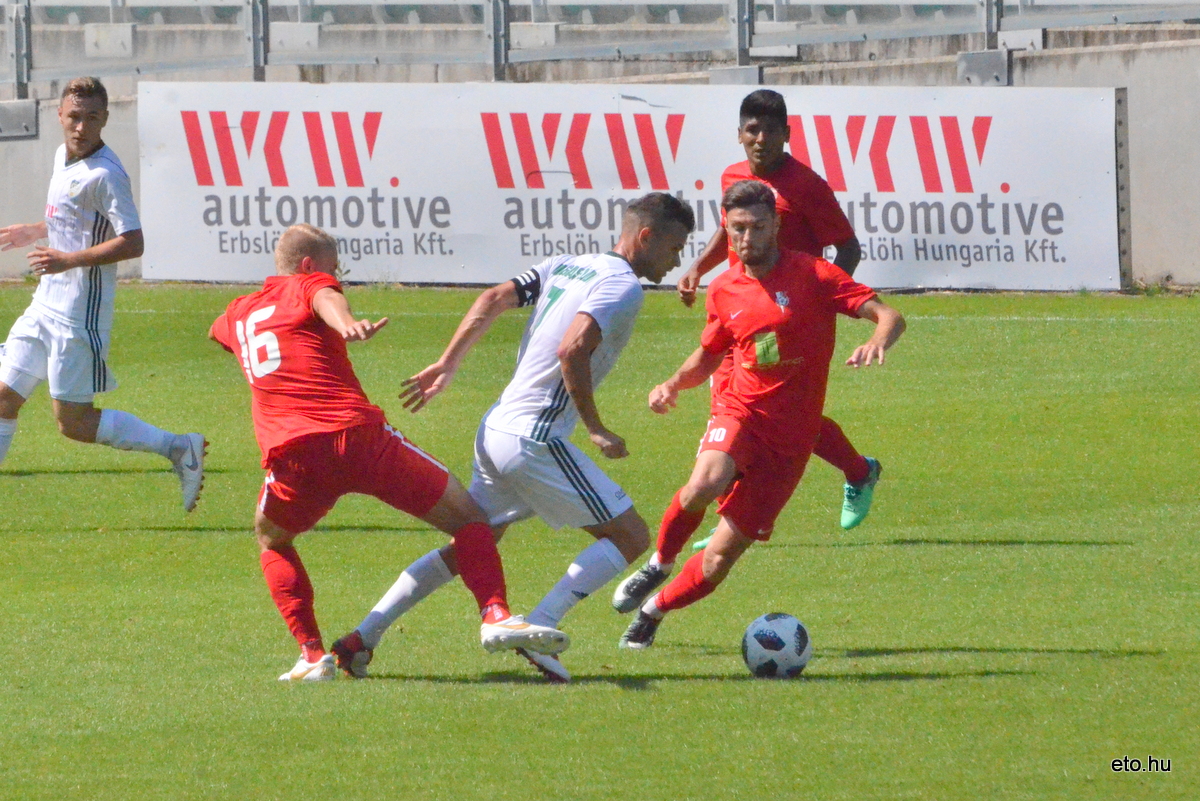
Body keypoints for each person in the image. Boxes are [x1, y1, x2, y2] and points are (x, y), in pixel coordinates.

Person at [330, 193, 695, 683]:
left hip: (497, 428)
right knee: (630, 536)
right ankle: (542, 624)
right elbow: (572, 350)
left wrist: (449, 362)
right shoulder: (621, 284)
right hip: (532, 438)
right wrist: (595, 427)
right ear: (645, 236)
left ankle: (362, 637)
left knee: (472, 543)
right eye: (674, 247)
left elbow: (493, 298)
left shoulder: (566, 264)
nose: (676, 260)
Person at [209, 224, 567, 681]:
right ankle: (495, 615)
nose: (337, 278)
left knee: (273, 540)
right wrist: (346, 324)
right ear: (309, 266)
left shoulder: (237, 312)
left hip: (294, 456)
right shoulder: (309, 285)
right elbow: (326, 298)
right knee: (470, 520)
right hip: (358, 439)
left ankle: (312, 655)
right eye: (334, 269)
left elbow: (220, 333)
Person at [612, 180, 905, 648]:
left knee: (718, 560)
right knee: (703, 484)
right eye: (738, 228)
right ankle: (658, 564)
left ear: (776, 227)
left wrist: (877, 340)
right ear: (727, 229)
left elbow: (890, 316)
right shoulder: (724, 288)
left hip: (791, 442)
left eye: (757, 227)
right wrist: (672, 383)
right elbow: (710, 353)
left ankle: (654, 610)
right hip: (740, 412)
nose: (747, 238)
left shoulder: (815, 274)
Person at [679, 89, 878, 546]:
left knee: (786, 417)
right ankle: (732, 517)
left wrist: (822, 300)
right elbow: (729, 228)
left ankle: (858, 471)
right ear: (740, 134)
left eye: (771, 131)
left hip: (790, 319)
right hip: (738, 312)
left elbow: (847, 246)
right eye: (753, 130)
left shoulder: (806, 185)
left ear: (787, 134)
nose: (761, 139)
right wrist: (698, 268)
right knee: (734, 409)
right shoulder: (733, 176)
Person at [0, 76, 204, 510]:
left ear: (105, 119)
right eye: (74, 116)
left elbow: (133, 242)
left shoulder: (107, 174)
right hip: (44, 303)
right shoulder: (62, 157)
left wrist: (68, 260)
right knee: (3, 398)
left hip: (79, 313)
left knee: (72, 424)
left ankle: (177, 446)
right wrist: (35, 230)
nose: (81, 127)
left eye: (91, 118)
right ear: (59, 115)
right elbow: (75, 217)